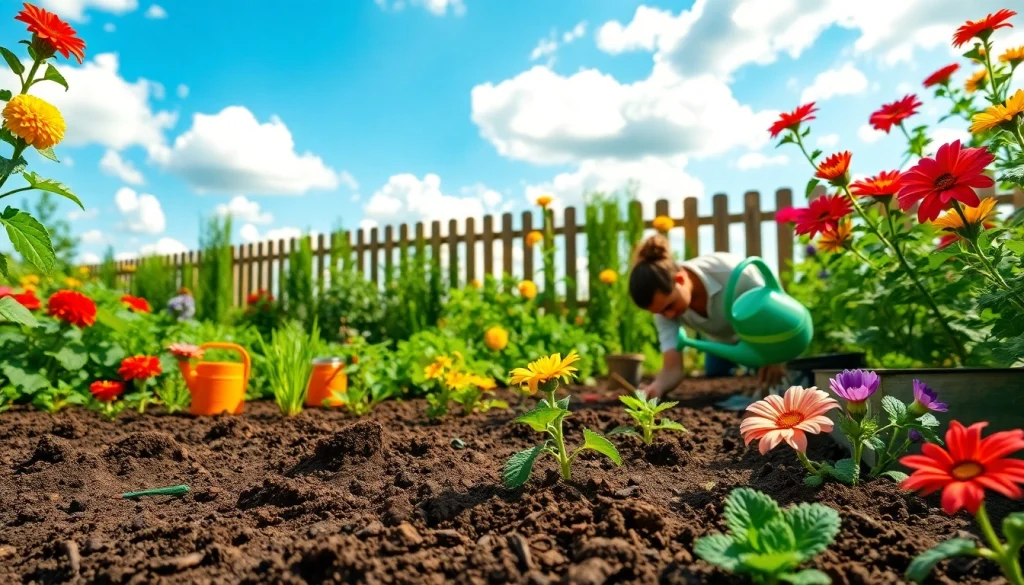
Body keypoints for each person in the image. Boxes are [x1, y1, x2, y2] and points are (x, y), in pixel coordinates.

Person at [627, 234, 787, 398]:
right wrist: (657, 387)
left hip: (760, 336)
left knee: (780, 377)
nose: (668, 316)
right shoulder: (663, 306)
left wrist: (776, 354)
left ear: (680, 279)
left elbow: (778, 307)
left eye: (670, 306)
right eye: (660, 313)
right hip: (720, 342)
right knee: (715, 372)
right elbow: (672, 368)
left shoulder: (734, 272)